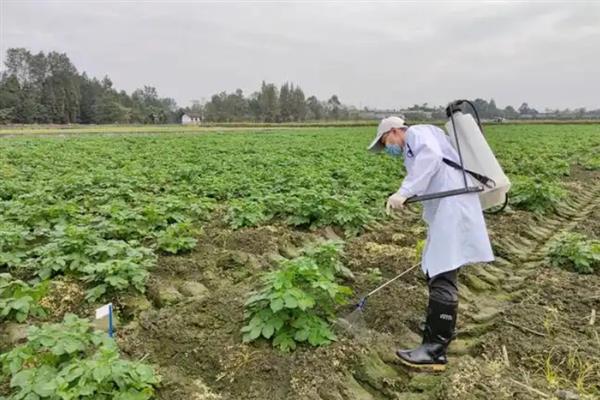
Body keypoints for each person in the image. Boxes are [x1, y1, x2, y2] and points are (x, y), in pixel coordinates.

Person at [367, 116, 494, 371]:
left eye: (385, 141)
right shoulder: (419, 140)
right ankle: (437, 339)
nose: (387, 147)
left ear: (394, 131)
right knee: (440, 270)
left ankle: (434, 350)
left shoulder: (417, 135)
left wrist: (403, 192)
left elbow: (431, 159)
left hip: (452, 210)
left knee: (441, 274)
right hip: (449, 210)